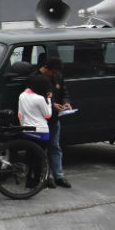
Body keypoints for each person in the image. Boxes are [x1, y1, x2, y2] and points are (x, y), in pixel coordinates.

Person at [29, 58, 72, 188]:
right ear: (46, 68)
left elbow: (64, 91)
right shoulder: (34, 78)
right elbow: (34, 98)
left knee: (55, 147)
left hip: (54, 118)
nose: (54, 75)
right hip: (40, 119)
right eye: (53, 72)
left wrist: (65, 102)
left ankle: (58, 175)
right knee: (42, 148)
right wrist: (52, 105)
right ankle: (46, 176)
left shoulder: (57, 76)